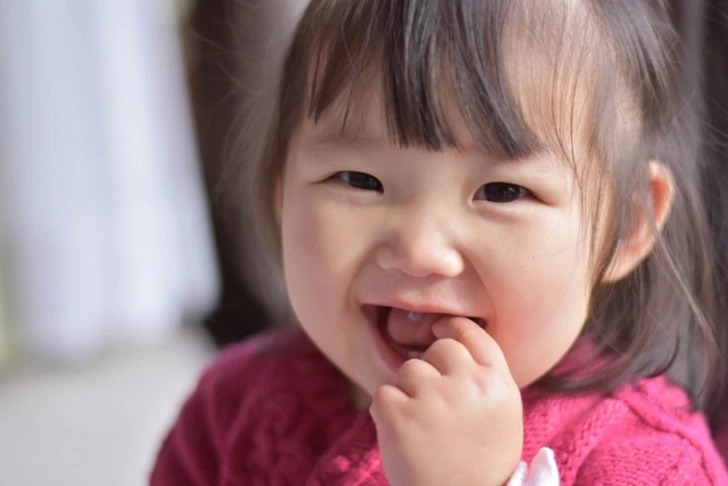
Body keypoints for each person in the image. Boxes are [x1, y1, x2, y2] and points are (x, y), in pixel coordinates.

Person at [151, 0, 728, 484]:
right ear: (284, 194)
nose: (420, 249)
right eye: (358, 180)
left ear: (627, 224)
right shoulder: (232, 409)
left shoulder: (653, 466)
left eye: (502, 191)